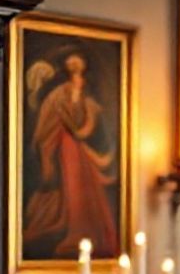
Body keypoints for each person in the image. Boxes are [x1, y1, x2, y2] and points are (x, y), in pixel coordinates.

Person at [23, 52, 118, 258]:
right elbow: (48, 118)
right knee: (72, 185)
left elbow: (89, 121)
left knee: (86, 185)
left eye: (79, 69)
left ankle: (92, 233)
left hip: (78, 144)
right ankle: (77, 231)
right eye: (73, 68)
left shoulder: (86, 95)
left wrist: (84, 125)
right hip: (65, 143)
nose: (77, 75)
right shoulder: (59, 93)